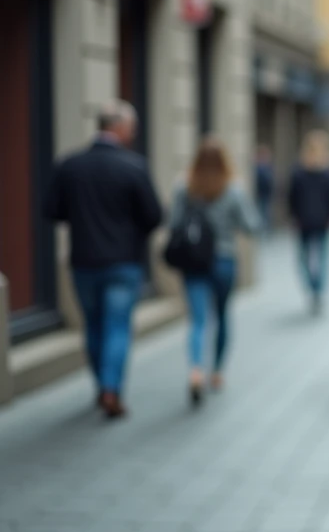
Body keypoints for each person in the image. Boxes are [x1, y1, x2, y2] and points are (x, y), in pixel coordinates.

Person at [44, 100, 163, 419]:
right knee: (117, 327)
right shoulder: (134, 167)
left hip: (84, 261)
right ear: (120, 128)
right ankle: (111, 388)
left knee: (94, 326)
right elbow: (154, 216)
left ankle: (102, 385)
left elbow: (51, 211)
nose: (134, 134)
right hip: (123, 262)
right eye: (132, 128)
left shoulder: (70, 165)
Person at [169, 136, 259, 404]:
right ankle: (217, 372)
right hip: (223, 260)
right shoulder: (233, 189)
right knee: (221, 317)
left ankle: (196, 370)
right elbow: (252, 226)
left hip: (194, 261)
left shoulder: (184, 187)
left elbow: (173, 224)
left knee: (197, 320)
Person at [288, 130, 329, 313]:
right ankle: (318, 288)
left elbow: (291, 198)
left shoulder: (299, 172)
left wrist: (294, 216)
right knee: (323, 257)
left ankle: (313, 287)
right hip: (322, 221)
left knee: (304, 257)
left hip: (304, 220)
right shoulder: (328, 173)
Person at [254, 145, 274, 232]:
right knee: (261, 213)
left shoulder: (267, 167)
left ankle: (265, 229)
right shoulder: (259, 168)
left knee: (265, 213)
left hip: (265, 194)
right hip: (260, 194)